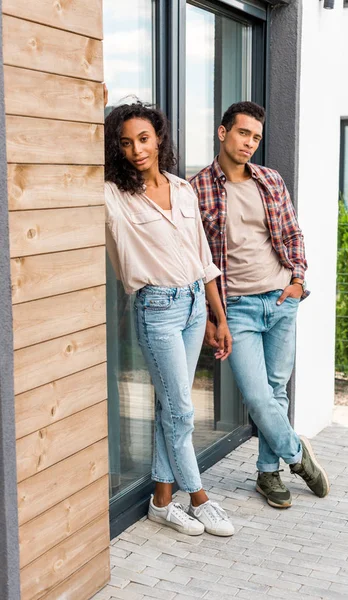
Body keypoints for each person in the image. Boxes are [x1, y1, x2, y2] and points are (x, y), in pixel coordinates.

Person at [104, 100, 235, 536]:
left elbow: (204, 258)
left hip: (196, 303)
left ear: (159, 138)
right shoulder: (114, 196)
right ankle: (200, 497)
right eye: (125, 143)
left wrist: (220, 318)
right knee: (181, 410)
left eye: (144, 139)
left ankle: (161, 501)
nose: (137, 150)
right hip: (156, 309)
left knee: (168, 406)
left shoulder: (182, 189)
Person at [190, 101, 330, 509]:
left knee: (275, 391)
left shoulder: (270, 181)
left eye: (255, 136)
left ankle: (268, 475)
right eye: (242, 133)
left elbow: (293, 235)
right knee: (256, 396)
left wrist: (298, 283)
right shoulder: (198, 189)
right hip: (238, 308)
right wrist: (217, 317)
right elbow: (202, 263)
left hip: (281, 299)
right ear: (222, 132)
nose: (249, 142)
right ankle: (297, 455)